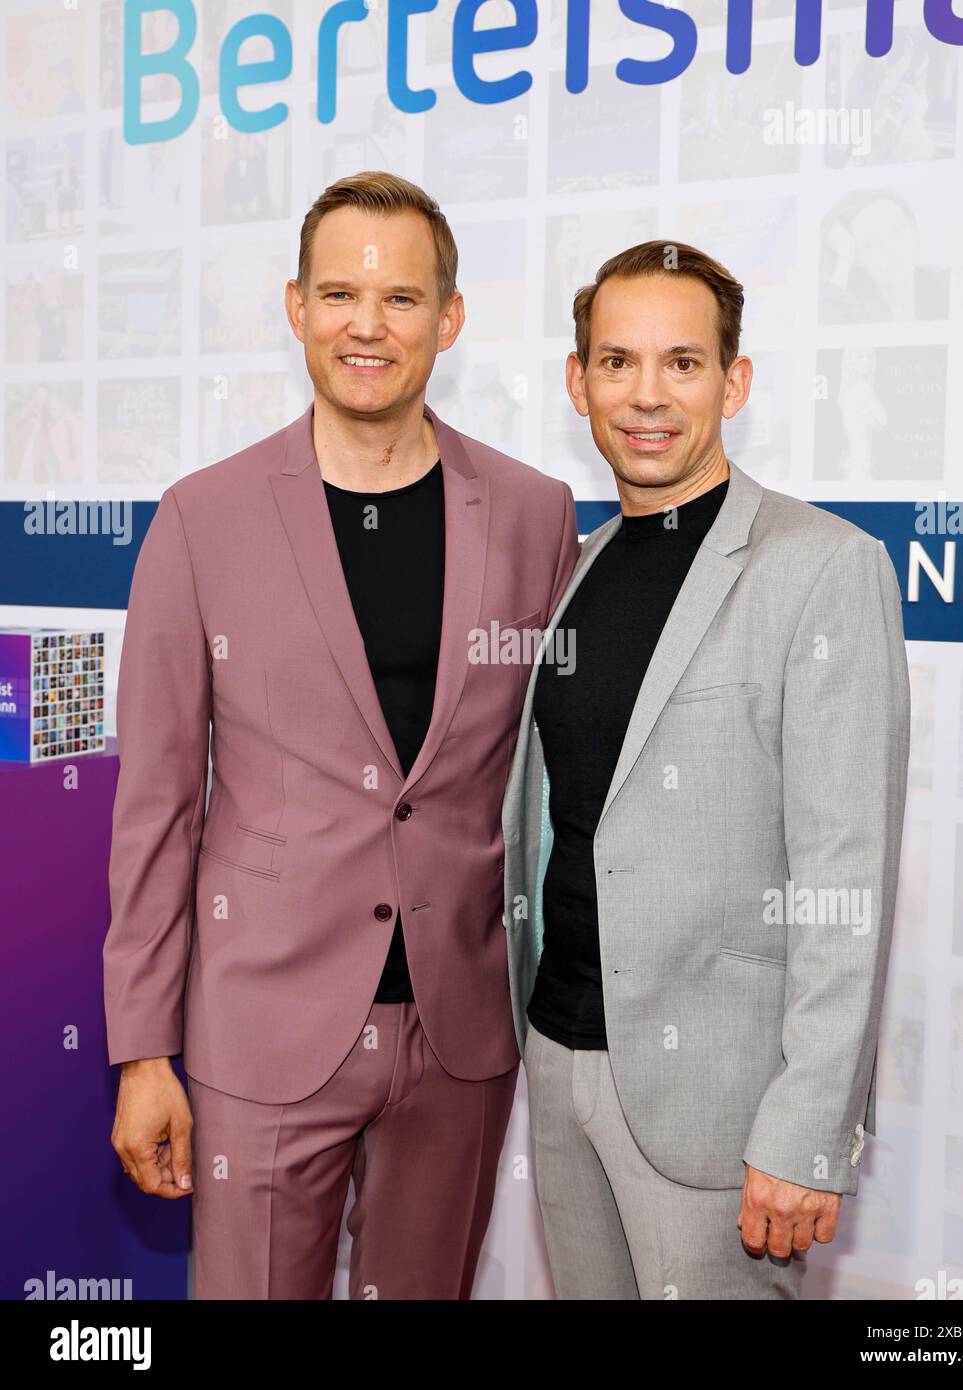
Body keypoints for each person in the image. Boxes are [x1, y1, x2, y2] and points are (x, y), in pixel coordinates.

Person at [103, 171, 579, 1300]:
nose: (368, 323)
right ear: (296, 307)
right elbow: (157, 806)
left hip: (461, 1027)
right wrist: (140, 1050)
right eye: (339, 294)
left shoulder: (532, 511)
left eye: (402, 297)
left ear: (449, 319)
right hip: (261, 1019)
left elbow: (557, 780)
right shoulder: (200, 518)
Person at [502, 239, 911, 1299]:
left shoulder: (821, 567)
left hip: (723, 1110)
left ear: (732, 382)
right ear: (577, 381)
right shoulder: (583, 565)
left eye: (682, 363)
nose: (647, 395)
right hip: (559, 1051)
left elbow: (845, 874)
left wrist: (808, 1126)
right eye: (617, 361)